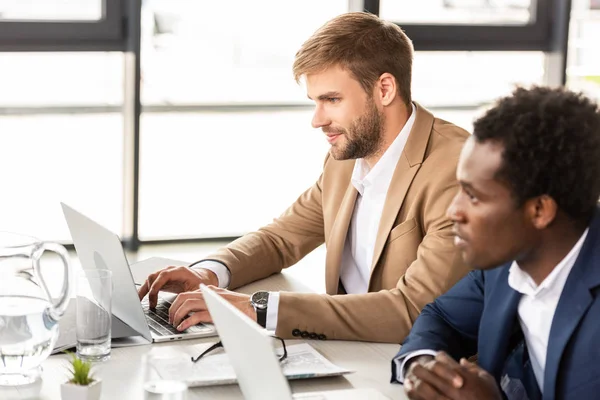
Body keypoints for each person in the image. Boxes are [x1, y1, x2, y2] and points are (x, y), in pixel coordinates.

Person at [137, 12, 470, 343]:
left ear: (384, 89)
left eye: (332, 100)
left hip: (423, 367)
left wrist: (259, 309)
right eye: (315, 101)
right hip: (352, 347)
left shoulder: (457, 170)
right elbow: (281, 238)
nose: (317, 120)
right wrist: (207, 273)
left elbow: (412, 311)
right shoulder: (348, 155)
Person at [392, 86, 600, 399]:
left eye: (473, 196)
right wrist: (425, 366)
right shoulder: (508, 262)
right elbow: (441, 317)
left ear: (540, 210)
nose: (453, 211)